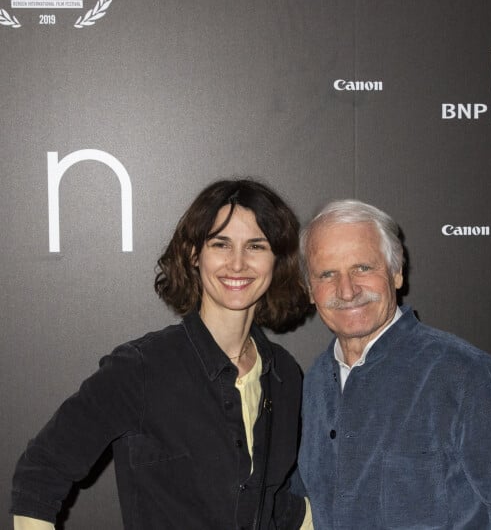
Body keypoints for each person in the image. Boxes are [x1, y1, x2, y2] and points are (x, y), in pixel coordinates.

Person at [11, 179, 311, 530]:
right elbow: (41, 472)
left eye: (256, 246)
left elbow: (275, 507)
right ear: (194, 255)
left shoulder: (283, 375)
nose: (238, 263)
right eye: (221, 244)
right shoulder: (141, 368)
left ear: (276, 260)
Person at [294, 199, 491, 529]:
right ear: (309, 290)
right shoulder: (314, 383)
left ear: (396, 273)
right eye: (327, 274)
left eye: (363, 268)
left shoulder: (466, 375)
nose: (346, 290)